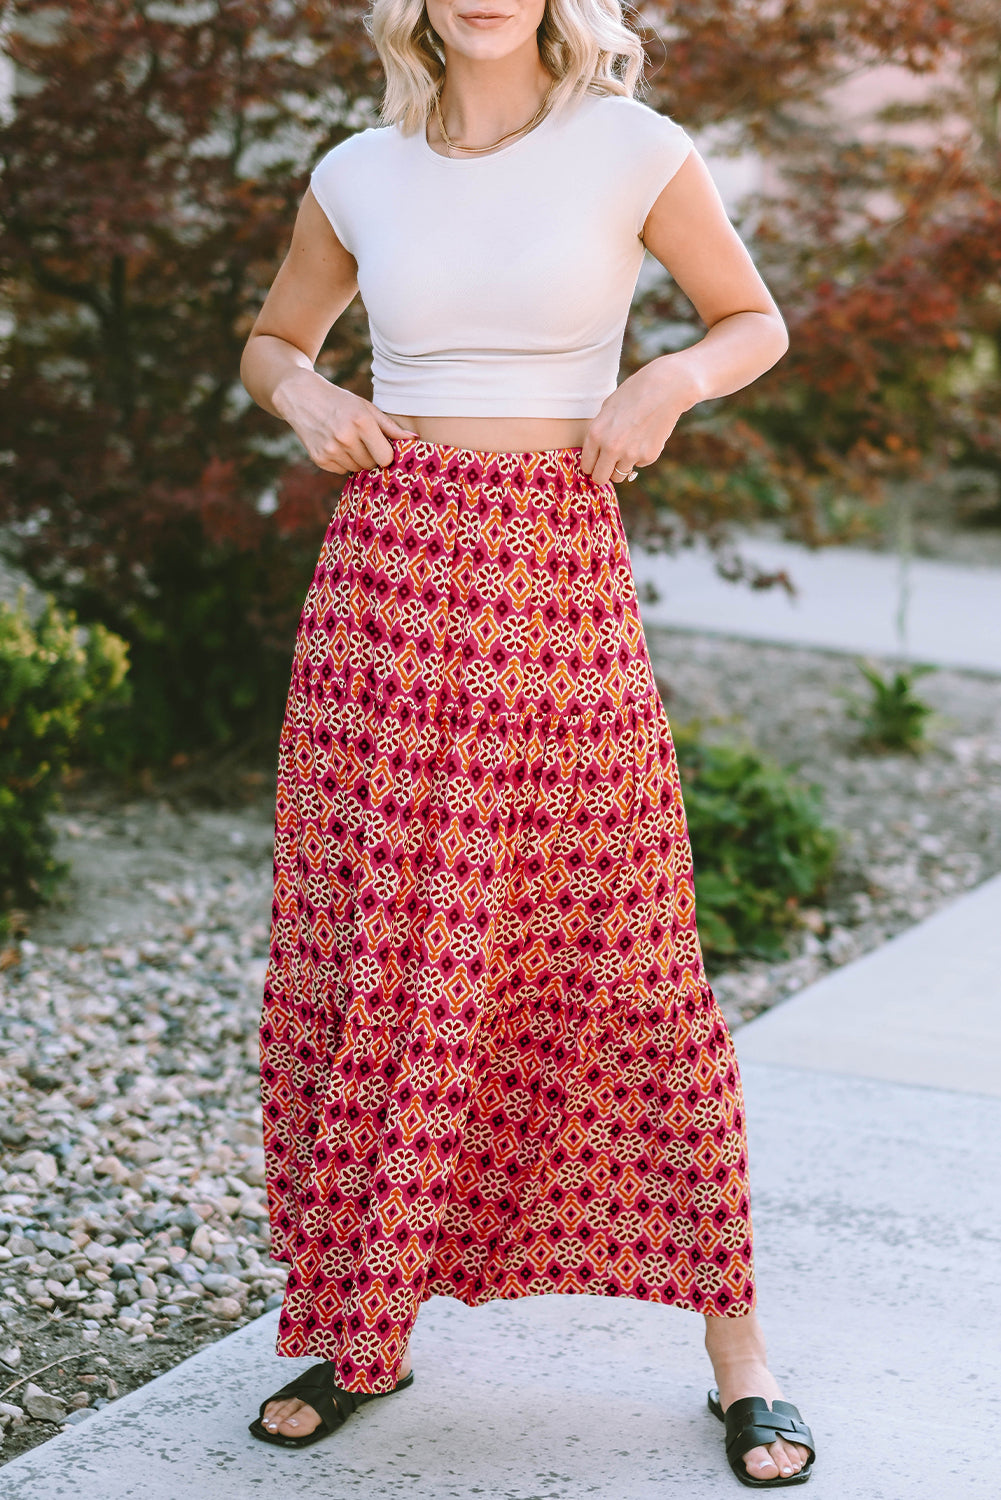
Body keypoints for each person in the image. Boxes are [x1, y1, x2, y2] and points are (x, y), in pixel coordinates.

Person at [239, 1, 816, 1488]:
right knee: (384, 947)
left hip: (556, 570)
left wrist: (662, 381)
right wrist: (303, 389)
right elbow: (273, 340)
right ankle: (358, 1320)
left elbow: (751, 319)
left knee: (621, 946)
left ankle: (737, 1352)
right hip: (388, 580)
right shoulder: (355, 167)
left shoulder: (632, 145)